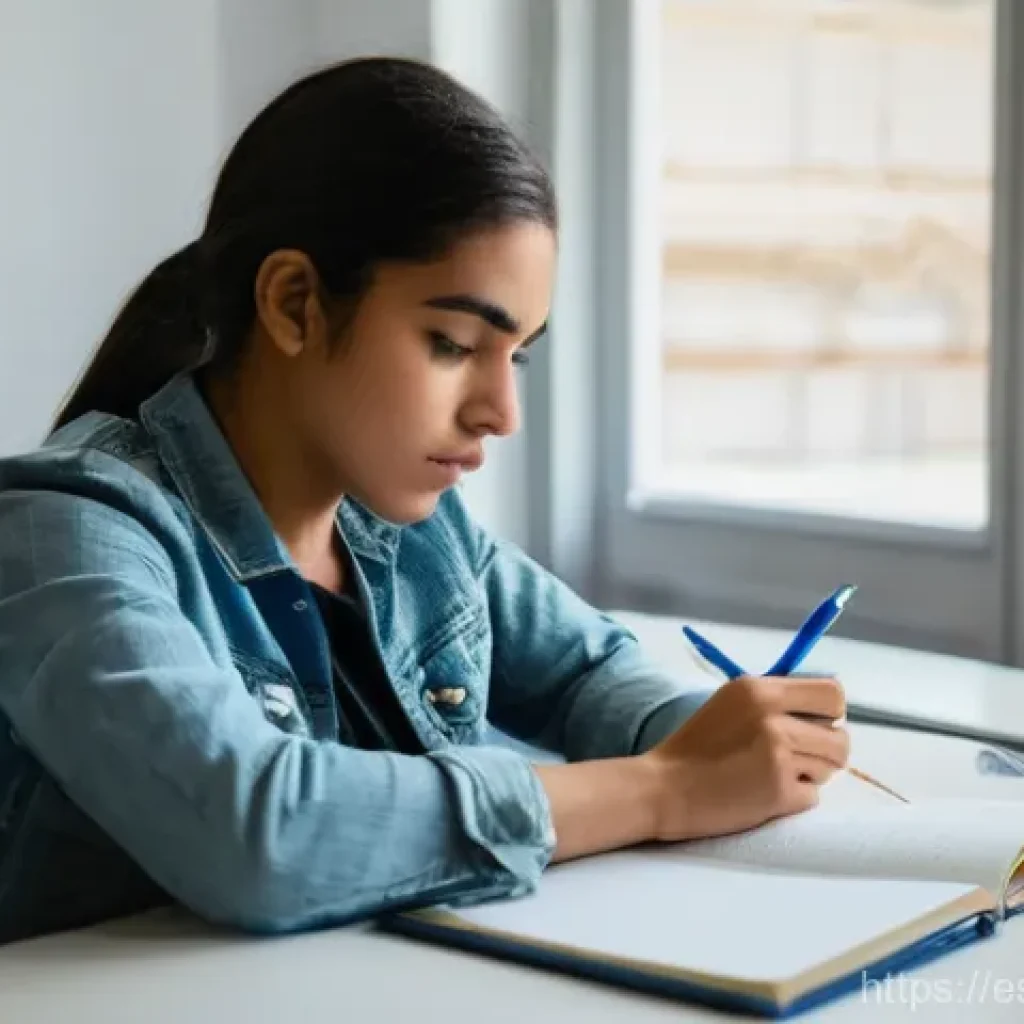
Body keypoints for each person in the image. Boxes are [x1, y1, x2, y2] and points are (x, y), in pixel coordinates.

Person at [0, 57, 848, 945]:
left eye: (516, 355)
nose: (502, 413)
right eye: (453, 343)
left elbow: (586, 672)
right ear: (294, 304)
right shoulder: (64, 532)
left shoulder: (412, 528)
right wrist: (667, 788)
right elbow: (257, 832)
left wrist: (729, 744)